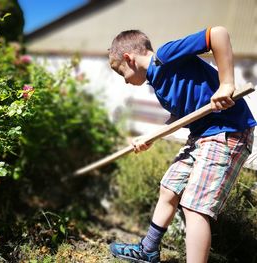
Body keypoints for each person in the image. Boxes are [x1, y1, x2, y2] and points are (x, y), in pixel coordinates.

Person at [108, 26, 256, 263]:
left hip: (227, 130)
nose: (125, 82)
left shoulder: (165, 57)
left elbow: (217, 34)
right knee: (169, 188)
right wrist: (151, 137)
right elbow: (181, 118)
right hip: (201, 136)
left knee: (194, 206)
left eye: (120, 73)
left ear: (129, 58)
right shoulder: (158, 84)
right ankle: (149, 249)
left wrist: (226, 84)